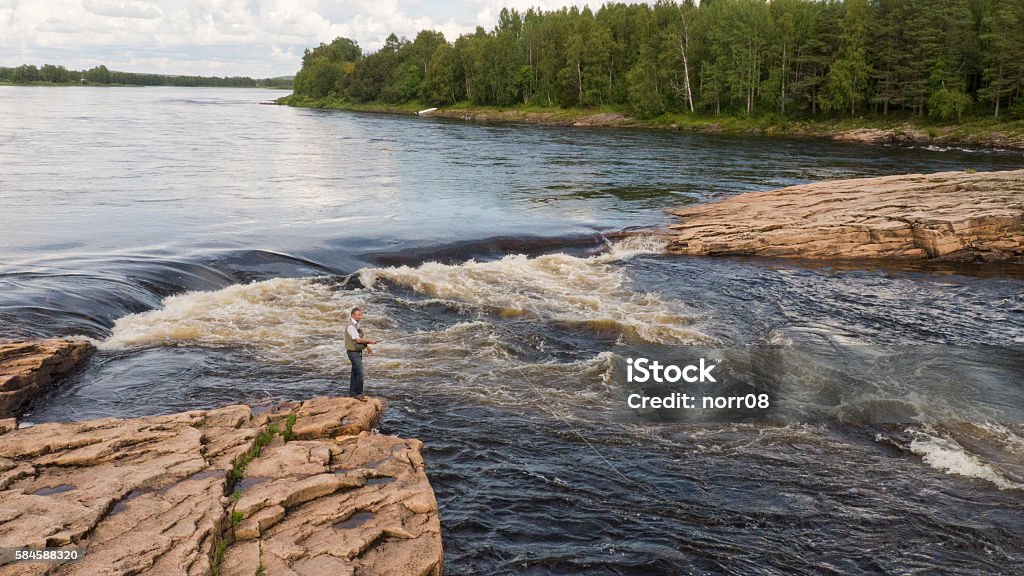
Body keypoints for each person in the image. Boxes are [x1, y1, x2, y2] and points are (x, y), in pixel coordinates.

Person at [344, 307, 379, 399]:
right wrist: (370, 341)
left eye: (361, 315)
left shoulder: (356, 324)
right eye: (358, 315)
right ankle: (359, 394)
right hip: (353, 353)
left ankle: (352, 393)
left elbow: (358, 340)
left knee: (355, 373)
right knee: (360, 373)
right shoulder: (351, 326)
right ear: (352, 315)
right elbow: (358, 340)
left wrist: (367, 346)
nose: (360, 317)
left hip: (356, 352)